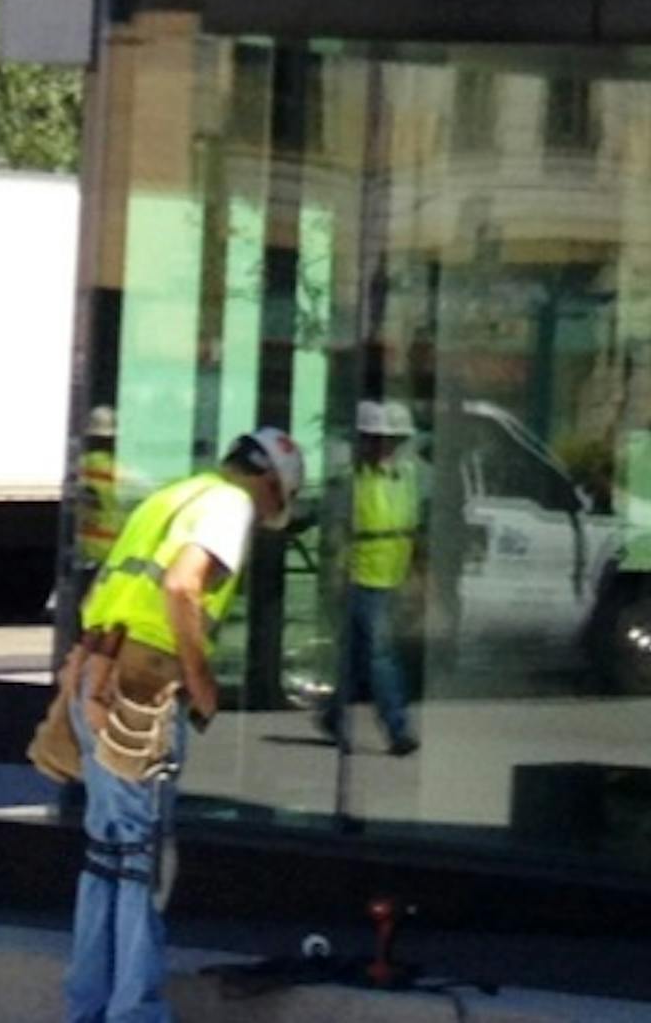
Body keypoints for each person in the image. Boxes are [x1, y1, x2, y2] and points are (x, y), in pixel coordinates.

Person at [61, 427, 305, 1023]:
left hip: (98, 672)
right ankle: (134, 1012)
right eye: (276, 502)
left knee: (108, 851)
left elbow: (103, 592)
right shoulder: (229, 504)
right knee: (141, 855)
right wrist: (200, 680)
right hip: (143, 685)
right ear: (270, 484)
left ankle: (90, 1005)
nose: (266, 515)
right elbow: (181, 583)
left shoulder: (173, 496)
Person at [320, 400, 421, 757]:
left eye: (390, 439)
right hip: (361, 577)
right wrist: (336, 576)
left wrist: (414, 575)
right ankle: (397, 728)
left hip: (392, 575)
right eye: (375, 438)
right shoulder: (350, 481)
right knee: (381, 656)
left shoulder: (406, 477)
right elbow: (335, 533)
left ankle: (333, 714)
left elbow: (412, 528)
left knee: (357, 656)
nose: (383, 446)